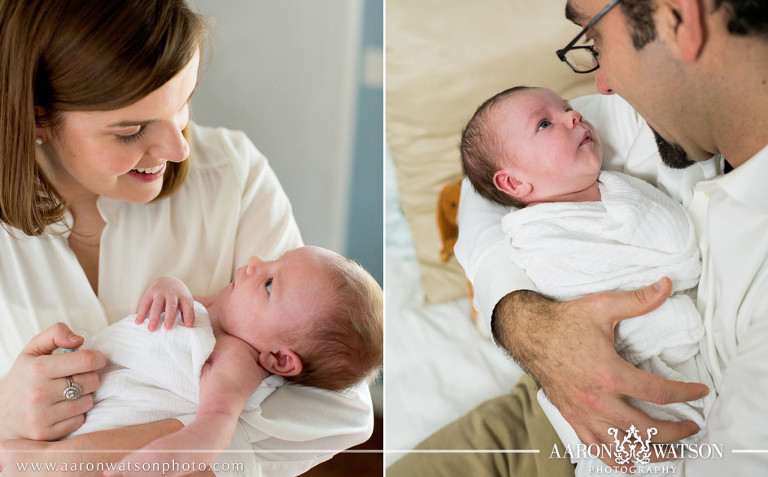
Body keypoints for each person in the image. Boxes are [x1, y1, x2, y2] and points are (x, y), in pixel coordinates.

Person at [390, 0, 768, 475]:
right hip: (543, 404)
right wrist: (526, 324)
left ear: (678, 18)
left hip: (653, 441)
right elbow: (486, 184)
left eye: (595, 41)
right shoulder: (639, 118)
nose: (601, 85)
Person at [0, 1, 374, 475]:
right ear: (37, 117)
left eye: (182, 106)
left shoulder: (232, 173)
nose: (179, 148)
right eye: (131, 130)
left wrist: (62, 460)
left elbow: (339, 412)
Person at [460, 85, 714, 474]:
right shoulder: (536, 238)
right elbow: (678, 256)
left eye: (567, 109)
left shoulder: (610, 175)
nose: (572, 115)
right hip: (601, 399)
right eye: (546, 123)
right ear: (514, 185)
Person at [60, 246, 383, 476]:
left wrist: (167, 457)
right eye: (273, 260)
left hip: (109, 439)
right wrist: (168, 286)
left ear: (280, 360)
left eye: (269, 283)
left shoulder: (235, 359)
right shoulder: (221, 309)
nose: (254, 263)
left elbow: (215, 425)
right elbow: (175, 304)